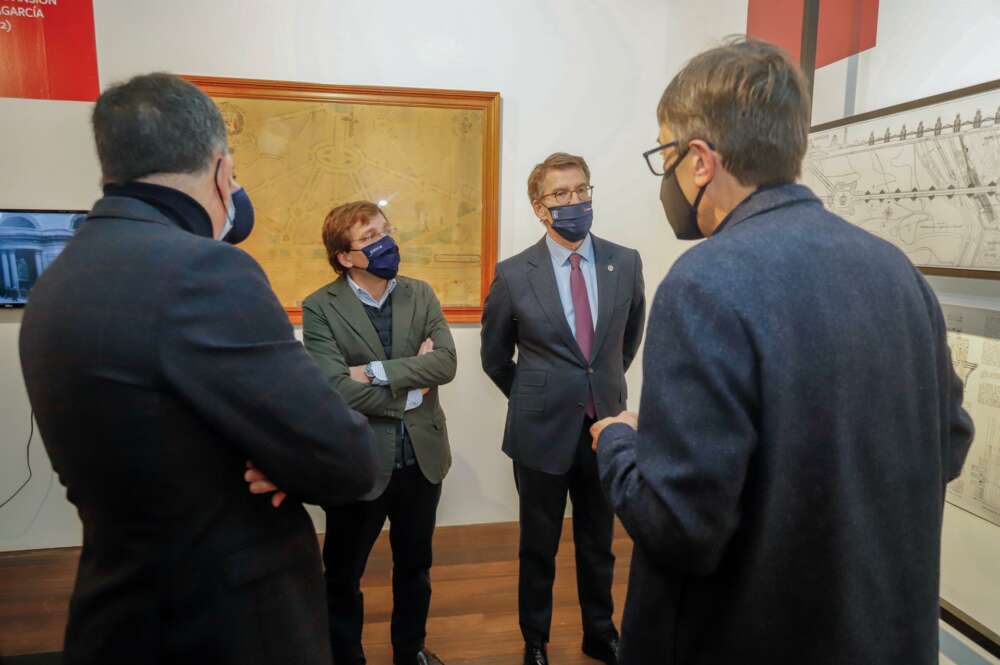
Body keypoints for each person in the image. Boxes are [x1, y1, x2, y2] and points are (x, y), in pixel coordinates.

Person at [591, 39, 975, 665]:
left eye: (664, 153)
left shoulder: (704, 282)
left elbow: (680, 525)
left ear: (698, 160)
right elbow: (949, 440)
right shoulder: (895, 271)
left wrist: (619, 443)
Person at [18, 73, 377, 665]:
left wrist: (291, 455)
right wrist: (294, 458)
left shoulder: (58, 278)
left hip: (118, 616)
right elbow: (347, 460)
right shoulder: (206, 272)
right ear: (221, 170)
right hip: (226, 626)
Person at [481, 152, 646, 665]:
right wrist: (537, 395)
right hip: (539, 431)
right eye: (561, 194)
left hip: (606, 428)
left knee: (600, 542)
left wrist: (598, 390)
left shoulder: (627, 260)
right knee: (539, 546)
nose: (574, 201)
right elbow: (494, 357)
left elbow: (626, 340)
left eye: (581, 190)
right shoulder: (513, 275)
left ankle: (601, 634)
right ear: (539, 207)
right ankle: (536, 641)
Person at [302, 201, 456, 665]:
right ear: (345, 256)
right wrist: (410, 391)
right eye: (369, 237)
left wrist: (368, 372)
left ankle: (410, 652)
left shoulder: (421, 293)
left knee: (416, 568)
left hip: (421, 459)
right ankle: (347, 657)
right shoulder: (319, 307)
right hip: (359, 462)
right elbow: (332, 388)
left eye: (386, 230)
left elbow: (445, 363)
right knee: (344, 574)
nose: (385, 241)